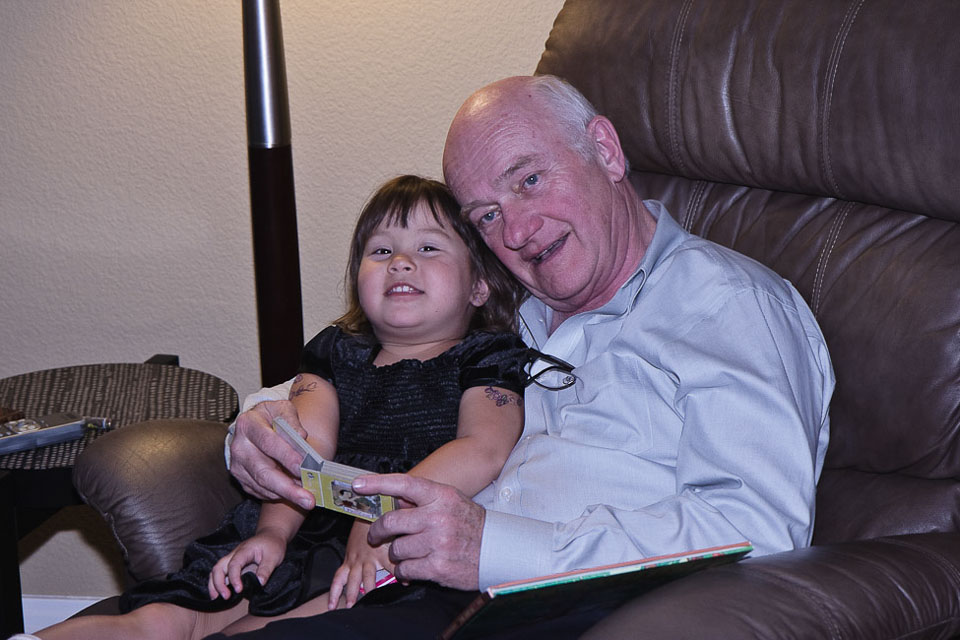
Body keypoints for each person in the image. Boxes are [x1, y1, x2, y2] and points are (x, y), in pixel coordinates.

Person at [215, 75, 835, 639]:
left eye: (529, 180)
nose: (515, 232)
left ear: (606, 151)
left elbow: (756, 530)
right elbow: (358, 378)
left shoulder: (728, 305)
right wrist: (258, 427)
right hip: (408, 588)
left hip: (578, 611)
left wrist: (493, 548)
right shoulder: (503, 312)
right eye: (487, 215)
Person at [29, 175, 530, 640]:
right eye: (381, 250)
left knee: (273, 626)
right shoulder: (334, 352)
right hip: (301, 521)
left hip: (393, 543)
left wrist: (382, 514)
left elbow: (481, 447)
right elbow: (302, 449)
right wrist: (271, 532)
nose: (400, 261)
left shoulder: (489, 358)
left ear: (479, 285)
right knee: (162, 621)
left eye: (428, 247)